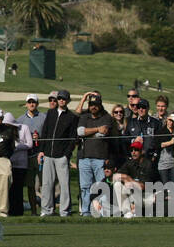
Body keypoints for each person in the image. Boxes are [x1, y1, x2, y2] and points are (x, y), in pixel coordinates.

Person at [76, 93, 118, 217]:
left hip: (100, 158)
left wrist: (88, 133)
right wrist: (96, 130)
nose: (93, 107)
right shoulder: (85, 117)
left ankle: (102, 212)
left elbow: (104, 133)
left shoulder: (107, 118)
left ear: (100, 105)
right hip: (84, 158)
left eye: (95, 105)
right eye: (91, 105)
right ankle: (86, 211)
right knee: (85, 187)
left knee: (101, 186)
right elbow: (80, 132)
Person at [38, 89, 76, 217]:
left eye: (63, 99)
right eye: (59, 98)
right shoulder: (50, 113)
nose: (61, 100)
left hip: (61, 156)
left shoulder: (71, 117)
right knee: (47, 184)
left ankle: (64, 211)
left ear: (68, 101)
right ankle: (46, 210)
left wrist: (67, 155)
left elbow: (72, 139)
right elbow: (45, 132)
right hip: (48, 154)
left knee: (64, 185)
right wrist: (41, 151)